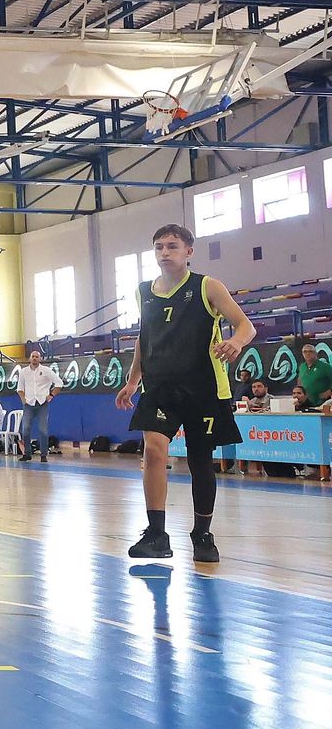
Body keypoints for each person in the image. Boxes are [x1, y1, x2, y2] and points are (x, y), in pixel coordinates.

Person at [115, 223, 255, 564]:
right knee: (153, 451)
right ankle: (157, 534)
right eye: (159, 246)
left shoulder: (208, 286)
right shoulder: (143, 291)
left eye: (172, 246)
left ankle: (202, 533)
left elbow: (245, 326)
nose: (165, 252)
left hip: (203, 387)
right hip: (159, 387)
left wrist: (235, 342)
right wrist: (133, 380)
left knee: (200, 462)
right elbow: (143, 339)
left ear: (188, 251)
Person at [16, 350, 62, 463]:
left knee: (43, 430)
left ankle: (43, 454)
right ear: (29, 359)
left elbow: (59, 383)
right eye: (33, 356)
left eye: (37, 357)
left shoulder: (46, 371)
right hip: (29, 404)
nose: (35, 358)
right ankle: (27, 453)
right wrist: (23, 400)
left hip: (42, 403)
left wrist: (51, 395)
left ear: (40, 359)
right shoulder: (23, 372)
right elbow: (20, 388)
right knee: (25, 429)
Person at [298, 339, 332, 405]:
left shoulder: (325, 366)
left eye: (310, 351)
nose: (308, 353)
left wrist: (329, 392)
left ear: (315, 353)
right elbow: (300, 379)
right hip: (306, 401)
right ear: (302, 354)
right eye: (305, 352)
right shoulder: (302, 366)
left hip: (322, 402)